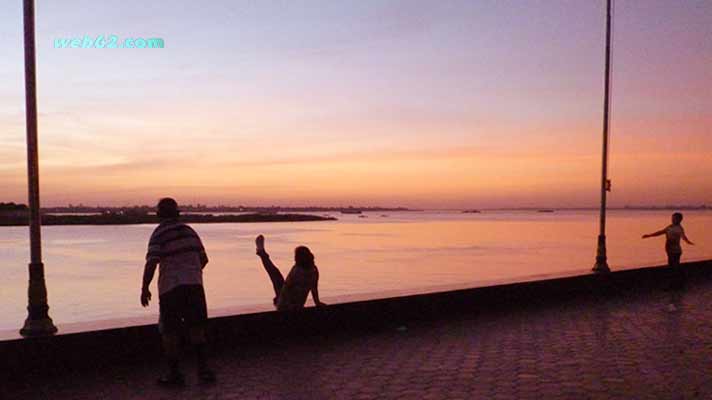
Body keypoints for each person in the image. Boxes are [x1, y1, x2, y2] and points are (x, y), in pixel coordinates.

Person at [140, 198, 215, 386]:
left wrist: (145, 288)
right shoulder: (190, 232)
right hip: (194, 285)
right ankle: (203, 371)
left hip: (170, 288)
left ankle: (175, 375)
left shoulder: (158, 234)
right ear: (177, 213)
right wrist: (191, 272)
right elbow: (203, 259)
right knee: (197, 329)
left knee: (170, 332)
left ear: (158, 214)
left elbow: (151, 262)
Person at [255, 234, 326, 310]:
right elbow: (286, 289)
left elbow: (314, 288)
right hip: (286, 302)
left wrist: (317, 302)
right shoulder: (298, 270)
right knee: (275, 275)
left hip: (290, 303)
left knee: (275, 274)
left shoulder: (312, 270)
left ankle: (261, 252)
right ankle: (262, 252)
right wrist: (282, 302)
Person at [642, 212, 695, 289]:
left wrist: (688, 242)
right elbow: (661, 232)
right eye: (672, 218)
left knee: (673, 268)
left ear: (680, 220)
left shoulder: (679, 229)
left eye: (675, 219)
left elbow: (683, 237)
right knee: (672, 268)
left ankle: (675, 285)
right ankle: (677, 284)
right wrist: (649, 235)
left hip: (676, 251)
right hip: (669, 250)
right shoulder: (670, 227)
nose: (673, 220)